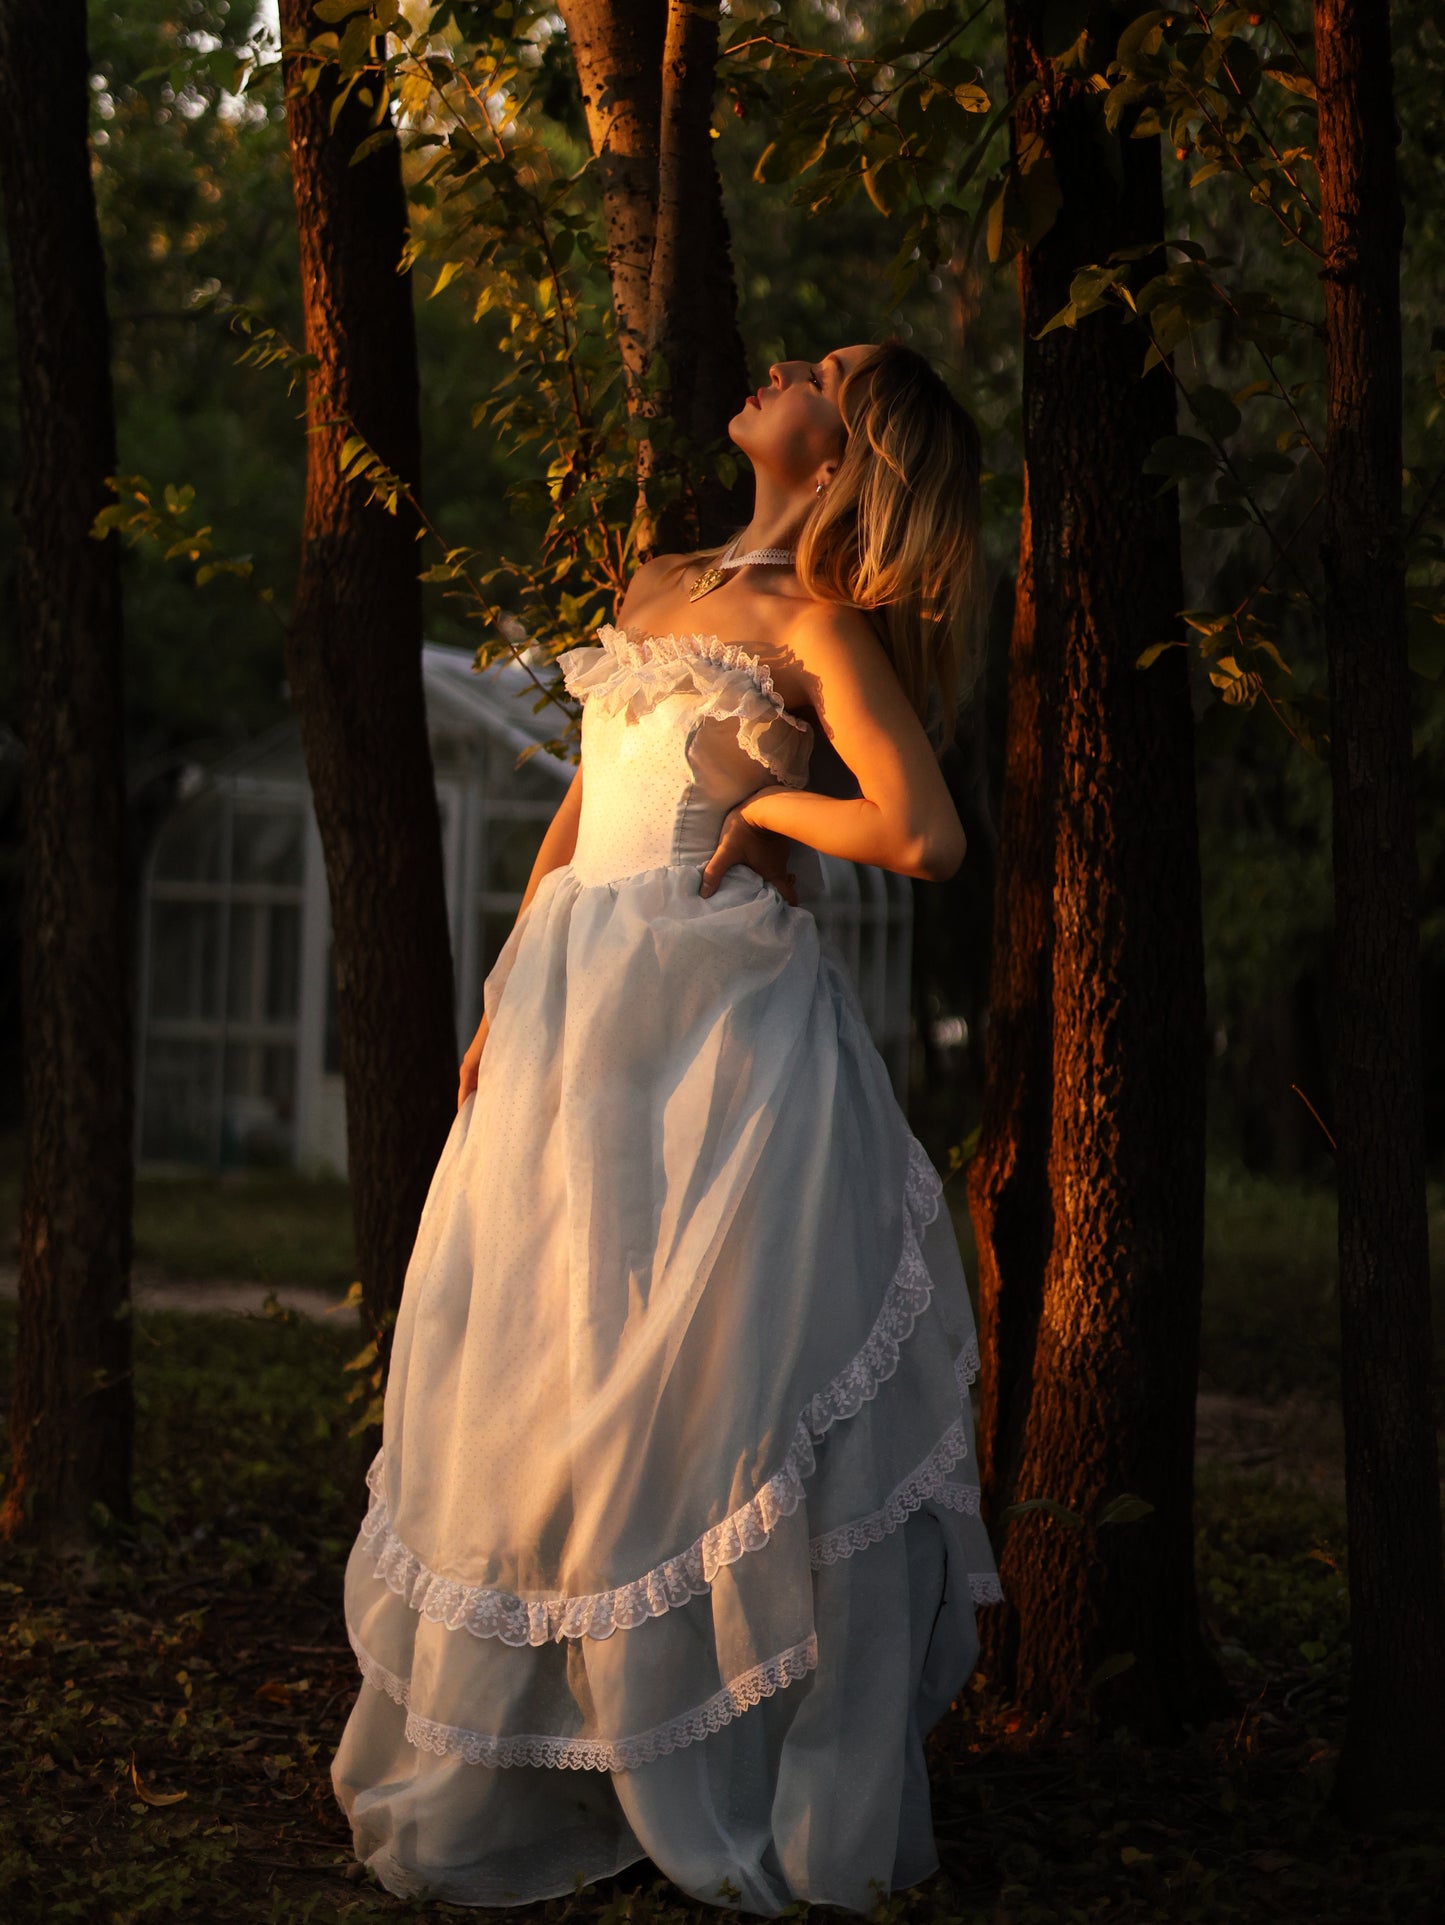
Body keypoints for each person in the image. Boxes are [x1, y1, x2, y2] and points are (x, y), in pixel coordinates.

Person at [330, 338, 1003, 1914]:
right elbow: (582, 807)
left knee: (709, 1368)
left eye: (819, 369)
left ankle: (735, 1753)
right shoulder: (654, 583)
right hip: (578, 1004)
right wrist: (508, 979)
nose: (777, 363)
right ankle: (558, 1743)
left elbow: (923, 833)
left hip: (715, 1020)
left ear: (839, 455)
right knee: (564, 1340)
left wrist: (758, 802)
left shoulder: (816, 625)